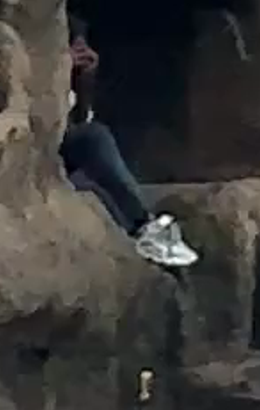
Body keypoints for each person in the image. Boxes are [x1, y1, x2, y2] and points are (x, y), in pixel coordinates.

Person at [61, 31, 199, 275]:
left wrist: (84, 80)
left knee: (95, 188)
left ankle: (140, 236)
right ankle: (144, 224)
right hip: (41, 154)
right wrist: (59, 67)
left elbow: (79, 118)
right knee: (95, 136)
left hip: (70, 162)